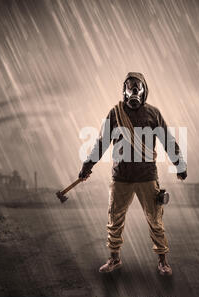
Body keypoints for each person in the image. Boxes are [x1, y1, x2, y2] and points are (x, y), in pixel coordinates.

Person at [79, 72, 187, 276]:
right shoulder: (115, 113)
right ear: (124, 89)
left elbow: (167, 140)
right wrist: (87, 165)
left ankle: (163, 261)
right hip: (121, 177)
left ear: (144, 89)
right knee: (114, 219)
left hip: (147, 176)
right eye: (130, 86)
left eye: (137, 86)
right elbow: (101, 143)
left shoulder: (153, 113)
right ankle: (114, 258)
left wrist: (179, 164)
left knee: (155, 220)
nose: (134, 89)